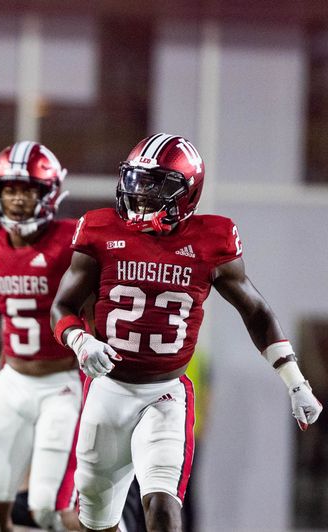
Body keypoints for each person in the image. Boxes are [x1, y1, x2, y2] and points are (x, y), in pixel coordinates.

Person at [50, 133, 323, 532]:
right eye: (136, 181)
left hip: (164, 394)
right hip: (107, 391)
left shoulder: (210, 241)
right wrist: (80, 339)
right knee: (94, 522)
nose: (141, 195)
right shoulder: (99, 230)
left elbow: (256, 311)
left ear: (187, 192)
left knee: (162, 506)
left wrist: (295, 381)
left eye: (155, 185)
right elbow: (62, 307)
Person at [0, 141, 81, 531]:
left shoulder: (73, 243)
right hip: (12, 381)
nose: (18, 199)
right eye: (10, 189)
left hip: (64, 382)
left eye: (29, 189)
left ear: (48, 193)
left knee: (49, 509)